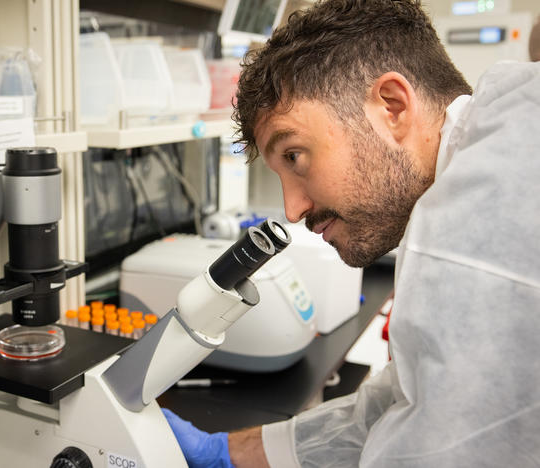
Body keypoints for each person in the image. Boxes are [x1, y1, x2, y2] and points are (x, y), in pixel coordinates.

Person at [162, 0, 540, 466]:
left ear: (392, 107)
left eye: (296, 156)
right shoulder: (507, 124)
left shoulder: (479, 214)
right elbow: (415, 403)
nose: (292, 210)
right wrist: (229, 453)